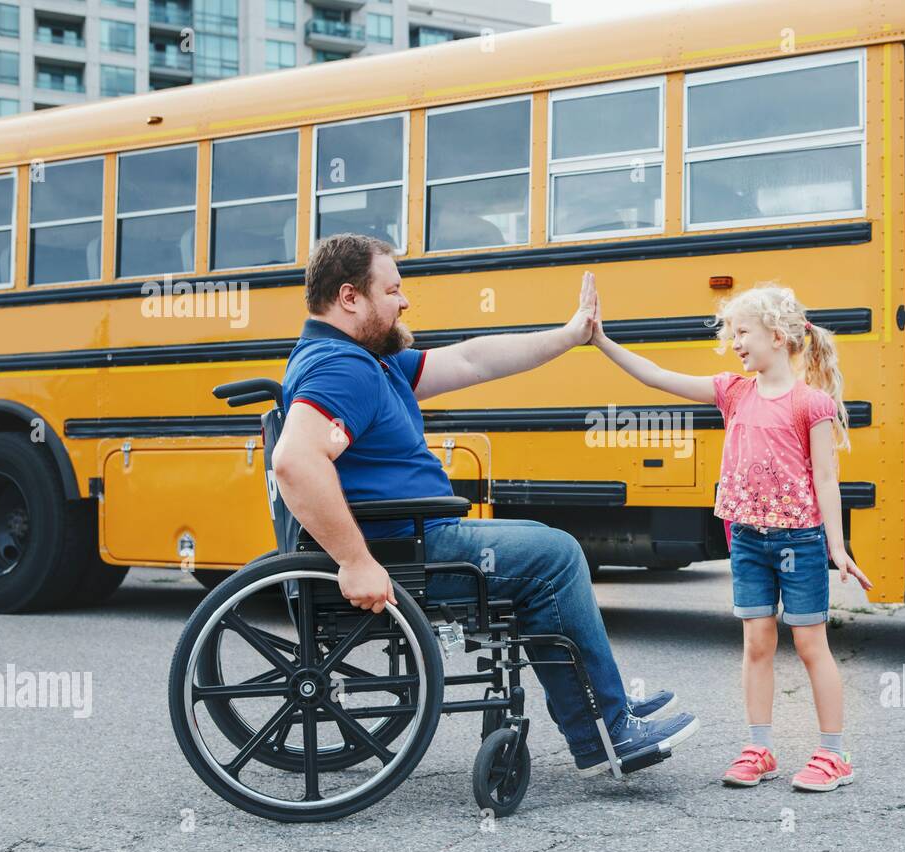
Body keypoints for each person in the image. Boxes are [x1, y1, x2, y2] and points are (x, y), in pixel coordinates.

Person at [271, 233, 698, 777]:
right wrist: (356, 562)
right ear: (350, 297)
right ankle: (607, 729)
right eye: (393, 290)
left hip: (415, 537)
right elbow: (295, 461)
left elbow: (474, 359)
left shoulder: (369, 363)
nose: (404, 302)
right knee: (556, 555)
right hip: (410, 550)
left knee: (540, 553)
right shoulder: (342, 368)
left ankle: (602, 720)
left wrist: (569, 336)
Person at [592, 282, 873, 792]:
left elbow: (827, 480)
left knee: (811, 645)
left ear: (780, 335)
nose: (734, 343)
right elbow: (658, 378)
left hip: (800, 541)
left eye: (742, 332)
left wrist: (837, 547)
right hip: (746, 538)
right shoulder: (732, 391)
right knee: (756, 644)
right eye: (731, 334)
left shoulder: (812, 404)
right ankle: (759, 747)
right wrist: (603, 341)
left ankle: (834, 754)